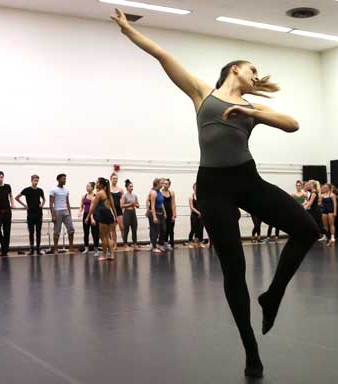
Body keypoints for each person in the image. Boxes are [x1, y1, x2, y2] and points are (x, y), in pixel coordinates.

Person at [111, 8, 320, 378]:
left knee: (307, 229)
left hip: (248, 179)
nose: (256, 75)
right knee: (233, 269)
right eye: (252, 69)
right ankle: (250, 349)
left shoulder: (253, 108)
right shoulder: (202, 93)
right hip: (212, 188)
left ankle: (273, 295)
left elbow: (292, 124)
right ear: (234, 69)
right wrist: (128, 31)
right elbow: (163, 55)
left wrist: (248, 113)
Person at [88, 177, 118, 261]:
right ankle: (111, 254)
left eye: (97, 182)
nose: (96, 183)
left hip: (103, 215)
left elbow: (93, 207)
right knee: (108, 236)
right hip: (109, 215)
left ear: (101, 184)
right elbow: (113, 208)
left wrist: (88, 217)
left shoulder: (99, 193)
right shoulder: (108, 194)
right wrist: (116, 217)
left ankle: (104, 255)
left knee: (103, 237)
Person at [16, 175, 45, 255]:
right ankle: (32, 249)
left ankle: (38, 249)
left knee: (38, 232)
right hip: (31, 213)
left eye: (37, 181)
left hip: (39, 213)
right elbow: (17, 197)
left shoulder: (40, 190)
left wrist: (42, 204)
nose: (36, 182)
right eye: (35, 180)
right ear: (31, 180)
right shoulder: (27, 190)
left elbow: (44, 199)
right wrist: (24, 205)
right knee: (31, 232)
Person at [49, 173, 76, 254]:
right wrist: (53, 215)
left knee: (71, 229)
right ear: (58, 179)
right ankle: (56, 249)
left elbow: (67, 202)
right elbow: (51, 204)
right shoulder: (53, 190)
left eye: (65, 179)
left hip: (66, 212)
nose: (65, 180)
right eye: (63, 179)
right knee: (57, 231)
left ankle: (71, 247)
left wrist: (70, 214)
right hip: (57, 212)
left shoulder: (66, 190)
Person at [147, 178, 166, 254]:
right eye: (161, 183)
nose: (163, 185)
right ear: (157, 184)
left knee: (163, 229)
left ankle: (160, 245)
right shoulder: (154, 192)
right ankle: (154, 247)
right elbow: (152, 206)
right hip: (155, 212)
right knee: (155, 231)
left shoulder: (160, 192)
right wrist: (154, 216)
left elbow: (161, 203)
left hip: (161, 212)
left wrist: (164, 213)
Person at [79, 182, 99, 253]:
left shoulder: (95, 196)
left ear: (92, 187)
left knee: (95, 232)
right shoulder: (84, 196)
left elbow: (96, 207)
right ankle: (86, 248)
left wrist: (92, 218)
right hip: (86, 215)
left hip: (94, 215)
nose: (87, 187)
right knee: (86, 232)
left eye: (88, 186)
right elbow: (81, 206)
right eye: (86, 186)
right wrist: (80, 212)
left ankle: (96, 248)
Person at [121, 179, 141, 251]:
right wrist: (130, 204)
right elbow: (122, 205)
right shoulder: (124, 195)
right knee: (126, 229)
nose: (131, 187)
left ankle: (135, 244)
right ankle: (125, 244)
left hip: (133, 212)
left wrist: (135, 204)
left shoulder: (134, 195)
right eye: (130, 186)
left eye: (132, 186)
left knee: (134, 229)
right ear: (127, 187)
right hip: (127, 213)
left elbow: (138, 205)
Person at [110, 173, 126, 249]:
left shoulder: (121, 190)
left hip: (119, 211)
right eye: (114, 178)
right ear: (111, 179)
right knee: (113, 229)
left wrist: (123, 210)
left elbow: (123, 201)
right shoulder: (108, 189)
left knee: (122, 227)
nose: (115, 180)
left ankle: (125, 244)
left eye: (116, 178)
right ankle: (115, 244)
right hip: (112, 211)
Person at [161, 178, 177, 249]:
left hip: (170, 212)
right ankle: (165, 243)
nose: (165, 185)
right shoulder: (160, 193)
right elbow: (160, 204)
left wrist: (174, 214)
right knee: (165, 229)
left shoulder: (172, 192)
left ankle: (172, 244)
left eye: (166, 184)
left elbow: (173, 204)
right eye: (164, 183)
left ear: (169, 185)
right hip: (163, 213)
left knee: (171, 229)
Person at [188, 183, 204, 248]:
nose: (197, 188)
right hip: (194, 215)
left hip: (201, 215)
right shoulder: (191, 197)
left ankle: (200, 242)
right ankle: (190, 242)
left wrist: (202, 213)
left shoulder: (201, 196)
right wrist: (198, 213)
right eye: (195, 187)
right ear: (193, 188)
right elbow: (192, 207)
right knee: (193, 229)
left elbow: (203, 205)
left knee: (200, 228)